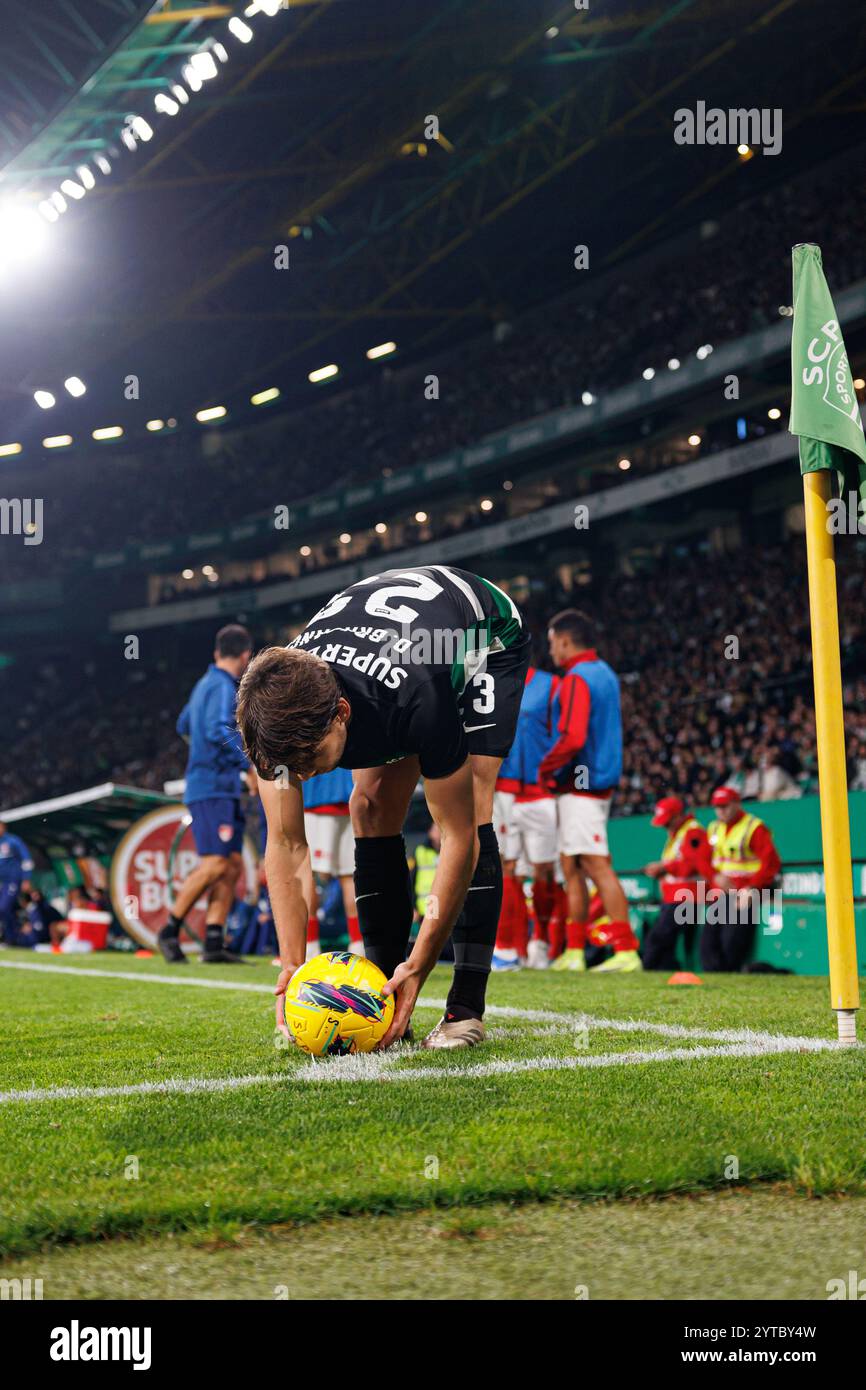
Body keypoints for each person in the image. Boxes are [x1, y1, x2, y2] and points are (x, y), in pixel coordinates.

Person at [236, 564, 531, 1049]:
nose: (303, 775)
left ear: (342, 714)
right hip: (390, 644)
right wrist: (292, 962)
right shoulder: (269, 721)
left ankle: (465, 1009)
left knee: (473, 806)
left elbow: (456, 838)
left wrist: (419, 965)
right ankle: (383, 1003)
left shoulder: (418, 698)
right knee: (369, 808)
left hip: (483, 638)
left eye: (311, 760)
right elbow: (287, 844)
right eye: (291, 766)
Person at [539, 609, 641, 972]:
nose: (551, 652)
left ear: (565, 642)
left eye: (552, 644)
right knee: (573, 865)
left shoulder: (577, 678)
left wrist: (545, 768)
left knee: (595, 865)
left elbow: (573, 737)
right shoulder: (606, 675)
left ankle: (626, 949)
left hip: (581, 783)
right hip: (592, 781)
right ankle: (576, 950)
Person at [159, 623, 255, 965]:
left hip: (215, 787)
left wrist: (201, 753)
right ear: (245, 656)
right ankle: (169, 930)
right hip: (213, 787)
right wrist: (246, 764)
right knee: (215, 864)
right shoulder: (223, 685)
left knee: (230, 866)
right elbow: (218, 729)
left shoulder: (202, 685)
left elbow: (184, 725)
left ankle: (214, 942)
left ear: (218, 652)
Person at [492, 663, 563, 970]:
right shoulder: (490, 683)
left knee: (544, 870)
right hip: (503, 787)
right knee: (507, 866)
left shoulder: (551, 685)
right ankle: (509, 948)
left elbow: (563, 734)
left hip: (540, 789)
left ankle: (542, 941)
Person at [701, 786, 781, 972]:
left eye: (725, 806)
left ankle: (729, 969)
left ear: (737, 804)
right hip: (723, 892)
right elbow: (704, 860)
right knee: (708, 941)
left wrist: (752, 888)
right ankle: (714, 973)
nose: (720, 810)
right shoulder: (713, 828)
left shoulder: (754, 827)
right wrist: (715, 876)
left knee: (734, 932)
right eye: (717, 807)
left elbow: (771, 863)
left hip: (747, 891)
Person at [640, 796, 712, 971]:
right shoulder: (678, 834)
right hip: (675, 897)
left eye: (667, 822)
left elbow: (693, 864)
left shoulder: (693, 832)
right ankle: (664, 972)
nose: (664, 826)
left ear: (678, 815)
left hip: (688, 898)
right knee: (664, 942)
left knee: (657, 940)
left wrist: (664, 867)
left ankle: (648, 970)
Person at [301, 766, 361, 957]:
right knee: (350, 875)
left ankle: (309, 946)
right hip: (353, 796)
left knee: (308, 873)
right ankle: (359, 945)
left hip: (319, 796)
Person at [0, 819, 34, 945]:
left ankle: (12, 936)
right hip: (2, 882)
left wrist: (26, 878)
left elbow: (27, 860)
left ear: (4, 827)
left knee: (3, 908)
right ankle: (12, 938)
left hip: (12, 881)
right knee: (8, 910)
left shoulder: (13, 841)